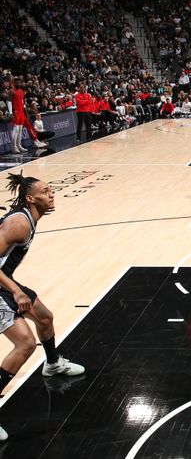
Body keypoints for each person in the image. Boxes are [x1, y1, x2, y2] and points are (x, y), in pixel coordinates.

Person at [0, 173, 85, 440]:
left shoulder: (29, 218)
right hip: (2, 285)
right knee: (25, 343)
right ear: (30, 198)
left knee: (45, 318)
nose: (52, 194)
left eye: (51, 189)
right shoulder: (19, 224)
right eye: (46, 191)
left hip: (5, 281)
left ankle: (52, 364)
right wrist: (16, 292)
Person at [10, 78, 46, 153]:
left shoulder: (21, 92)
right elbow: (9, 102)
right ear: (14, 83)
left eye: (20, 83)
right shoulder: (12, 91)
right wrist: (11, 113)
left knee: (20, 130)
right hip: (16, 112)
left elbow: (23, 104)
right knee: (16, 130)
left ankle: (19, 145)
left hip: (21, 112)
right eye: (17, 82)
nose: (19, 84)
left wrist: (25, 113)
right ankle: (14, 147)